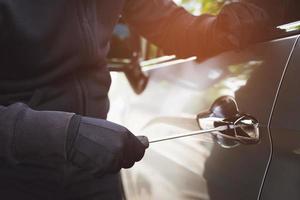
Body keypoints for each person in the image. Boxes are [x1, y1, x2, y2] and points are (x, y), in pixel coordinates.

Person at [0, 0, 268, 199]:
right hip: (18, 173)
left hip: (96, 173)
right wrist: (66, 137)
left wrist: (218, 30)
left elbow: (170, 25)